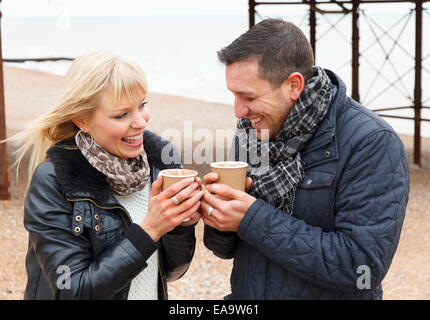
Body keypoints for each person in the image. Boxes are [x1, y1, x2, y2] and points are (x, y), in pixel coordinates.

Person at [201, 19, 409, 299]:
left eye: (247, 96)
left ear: (294, 86)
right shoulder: (251, 133)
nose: (238, 111)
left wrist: (251, 218)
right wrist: (214, 214)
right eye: (233, 95)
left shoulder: (371, 142)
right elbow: (227, 250)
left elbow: (363, 267)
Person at [6, 52, 203, 299]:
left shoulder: (161, 161)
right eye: (122, 114)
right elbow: (71, 290)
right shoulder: (55, 180)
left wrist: (180, 225)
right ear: (82, 121)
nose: (141, 122)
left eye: (142, 105)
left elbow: (171, 271)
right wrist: (150, 230)